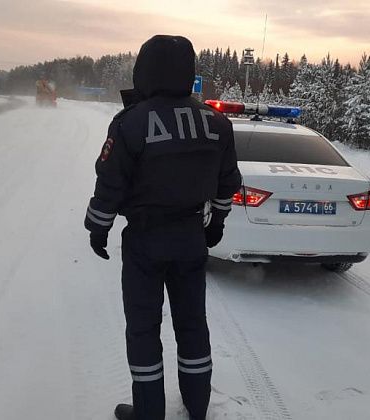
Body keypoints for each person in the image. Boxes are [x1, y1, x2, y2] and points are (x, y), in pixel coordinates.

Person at [84, 35, 241, 420]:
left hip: (145, 241)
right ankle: (197, 407)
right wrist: (216, 222)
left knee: (143, 329)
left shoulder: (130, 122)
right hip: (190, 237)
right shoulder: (217, 123)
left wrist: (98, 226)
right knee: (192, 326)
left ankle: (149, 412)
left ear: (145, 70)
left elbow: (110, 182)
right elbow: (227, 182)